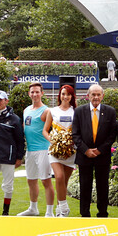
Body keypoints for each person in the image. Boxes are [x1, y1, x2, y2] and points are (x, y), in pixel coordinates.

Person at [72, 84, 118, 217]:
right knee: (85, 186)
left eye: (98, 94)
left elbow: (112, 135)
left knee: (102, 186)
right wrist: (86, 150)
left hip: (102, 156)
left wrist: (100, 150)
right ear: (88, 96)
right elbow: (75, 134)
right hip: (84, 156)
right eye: (93, 94)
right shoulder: (79, 111)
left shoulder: (110, 111)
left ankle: (102, 213)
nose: (96, 97)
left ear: (102, 96)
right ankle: (84, 213)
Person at [18, 82, 55, 217]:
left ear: (42, 93)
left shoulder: (47, 111)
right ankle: (33, 208)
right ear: (29, 94)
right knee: (31, 180)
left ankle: (49, 212)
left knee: (46, 180)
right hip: (30, 150)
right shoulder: (26, 110)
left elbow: (49, 131)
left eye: (37, 92)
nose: (34, 94)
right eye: (32, 92)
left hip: (43, 150)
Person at [0, 90, 24, 220]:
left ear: (6, 101)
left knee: (8, 186)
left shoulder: (15, 119)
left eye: (0, 100)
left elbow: (20, 140)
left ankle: (5, 211)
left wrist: (19, 157)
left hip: (9, 158)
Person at [42, 84, 77, 217]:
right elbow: (45, 130)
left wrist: (70, 141)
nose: (65, 96)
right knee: (59, 177)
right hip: (55, 151)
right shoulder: (53, 111)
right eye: (63, 94)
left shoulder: (76, 111)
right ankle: (64, 207)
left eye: (68, 94)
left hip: (70, 151)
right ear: (59, 95)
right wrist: (53, 140)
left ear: (71, 96)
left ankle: (59, 211)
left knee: (64, 182)